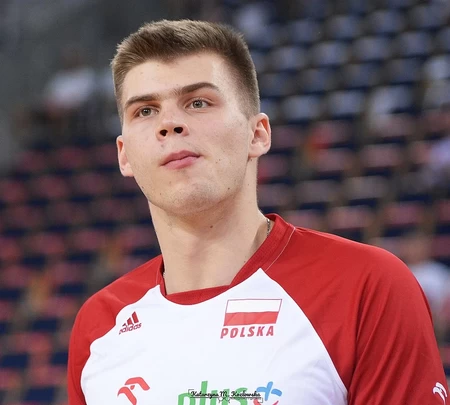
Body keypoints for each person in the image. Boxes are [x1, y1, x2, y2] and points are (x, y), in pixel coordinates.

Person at [67, 20, 448, 405]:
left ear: (258, 133)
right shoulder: (99, 326)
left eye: (198, 102)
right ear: (124, 155)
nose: (169, 124)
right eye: (145, 111)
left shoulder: (366, 285)